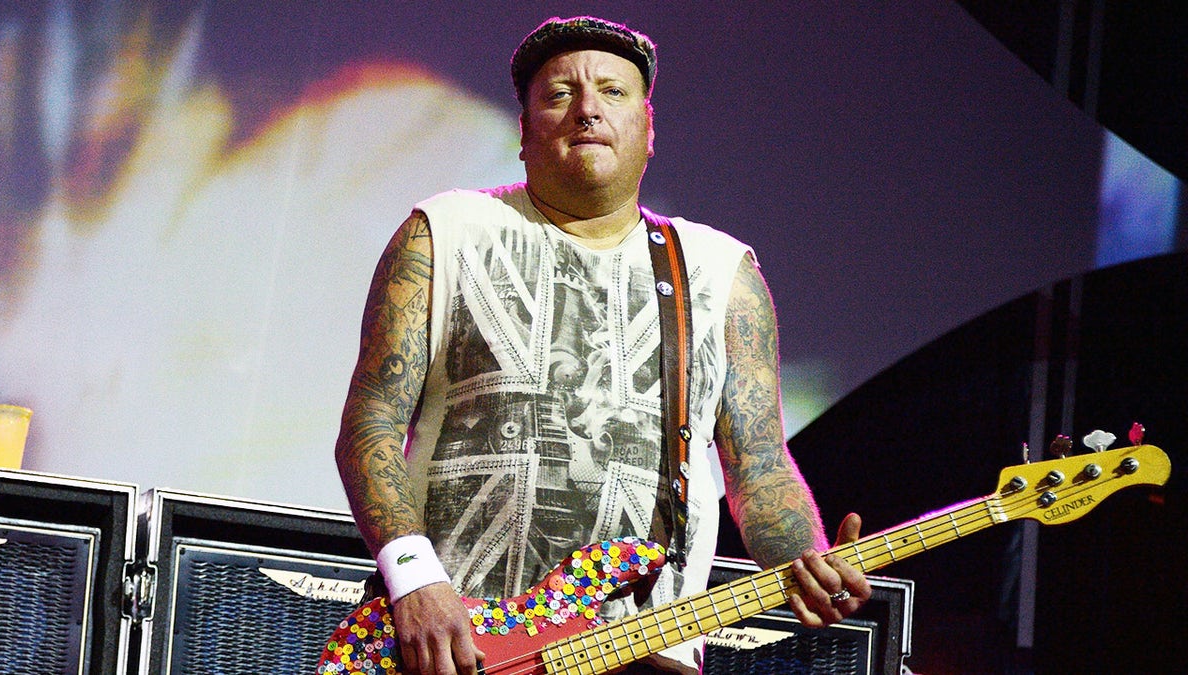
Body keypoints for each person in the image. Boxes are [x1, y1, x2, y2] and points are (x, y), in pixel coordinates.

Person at [335, 15, 870, 675]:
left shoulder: (720, 271)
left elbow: (758, 464)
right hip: (451, 646)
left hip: (642, 653)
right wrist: (414, 579)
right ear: (524, 131)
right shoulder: (445, 231)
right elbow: (373, 420)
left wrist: (804, 558)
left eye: (613, 92)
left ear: (649, 131)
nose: (587, 108)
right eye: (559, 94)